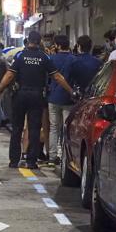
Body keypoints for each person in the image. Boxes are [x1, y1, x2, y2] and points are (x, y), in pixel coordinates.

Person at [0, 31, 74, 169]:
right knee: (34, 128)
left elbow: (9, 75)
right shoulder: (44, 57)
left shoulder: (20, 56)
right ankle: (32, 161)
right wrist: (71, 91)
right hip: (37, 96)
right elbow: (57, 77)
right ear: (39, 41)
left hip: (20, 95)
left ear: (28, 40)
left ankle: (14, 160)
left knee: (17, 128)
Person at [46, 35, 76, 164]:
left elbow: (47, 78)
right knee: (66, 128)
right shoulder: (73, 60)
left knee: (54, 127)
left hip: (53, 97)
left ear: (57, 46)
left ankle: (52, 156)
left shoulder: (51, 59)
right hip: (68, 99)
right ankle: (65, 155)